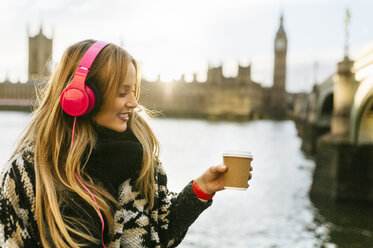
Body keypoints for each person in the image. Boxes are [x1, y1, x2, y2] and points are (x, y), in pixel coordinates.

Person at [0, 39, 253, 248]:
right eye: (123, 93)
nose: (133, 103)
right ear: (82, 96)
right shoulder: (28, 172)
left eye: (134, 91)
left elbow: (162, 233)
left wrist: (201, 189)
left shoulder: (142, 160)